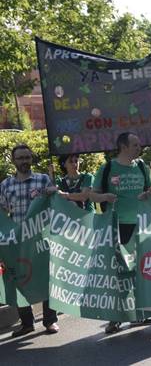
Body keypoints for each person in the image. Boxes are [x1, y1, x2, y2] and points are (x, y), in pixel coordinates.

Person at [93, 132, 151, 334]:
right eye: (135, 145)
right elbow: (93, 195)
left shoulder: (141, 166)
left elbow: (150, 188)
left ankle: (140, 314)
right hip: (116, 226)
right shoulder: (107, 168)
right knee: (118, 274)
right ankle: (115, 318)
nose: (139, 148)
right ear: (123, 146)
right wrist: (105, 197)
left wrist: (149, 193)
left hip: (141, 225)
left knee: (140, 271)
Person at [0, 144, 58, 336]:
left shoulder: (43, 179)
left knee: (47, 277)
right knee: (19, 280)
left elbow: (54, 203)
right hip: (18, 242)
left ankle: (50, 321)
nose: (24, 161)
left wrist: (53, 192)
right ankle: (27, 323)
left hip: (41, 238)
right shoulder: (6, 185)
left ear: (31, 158)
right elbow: (2, 212)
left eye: (27, 157)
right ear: (13, 160)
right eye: (20, 158)